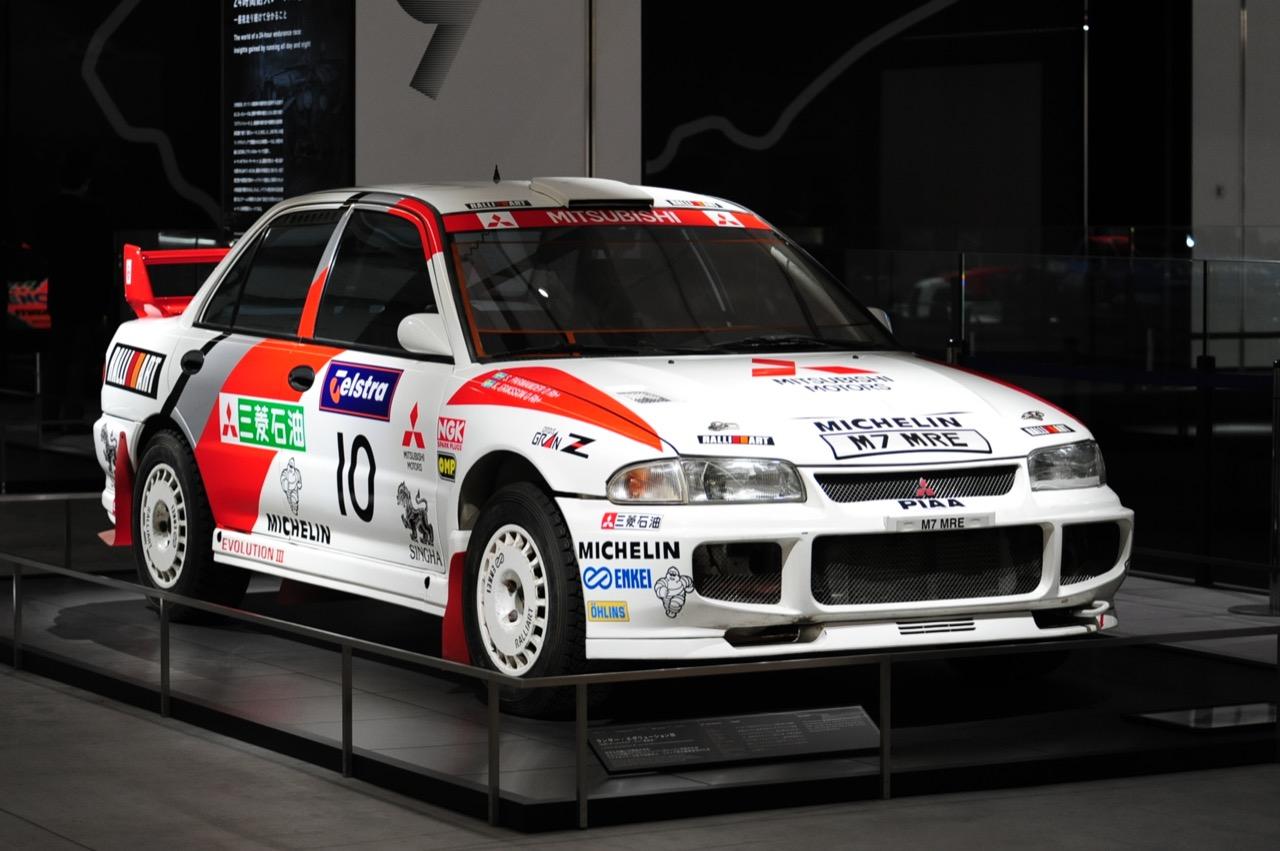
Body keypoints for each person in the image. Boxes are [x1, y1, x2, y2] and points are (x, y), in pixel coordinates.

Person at [32, 148, 114, 425]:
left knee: (57, 357)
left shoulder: (48, 212)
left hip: (61, 295)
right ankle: (72, 416)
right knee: (80, 359)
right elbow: (104, 261)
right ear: (86, 182)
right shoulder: (96, 214)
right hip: (89, 298)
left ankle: (49, 416)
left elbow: (40, 253)